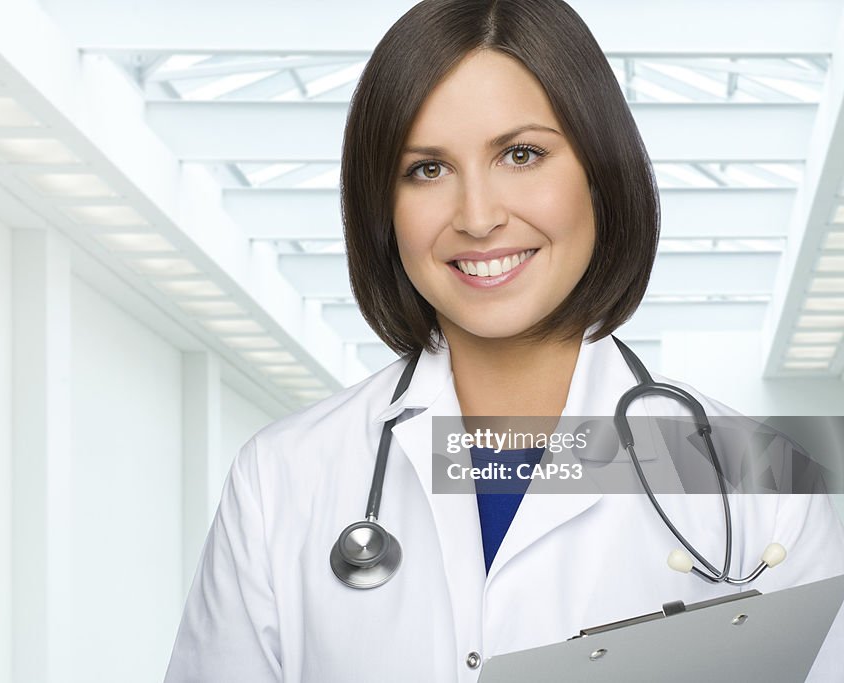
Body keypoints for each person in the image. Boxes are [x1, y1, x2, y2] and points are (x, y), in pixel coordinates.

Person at [164, 0, 844, 680]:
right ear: (383, 205)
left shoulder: (762, 485)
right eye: (427, 169)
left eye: (521, 155)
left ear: (600, 175)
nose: (479, 216)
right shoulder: (282, 479)